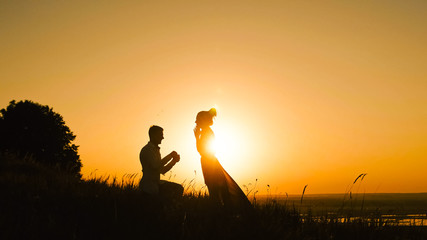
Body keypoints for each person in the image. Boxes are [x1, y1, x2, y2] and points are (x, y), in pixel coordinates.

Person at [194, 108, 251, 210]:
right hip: (209, 161)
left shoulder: (206, 132)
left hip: (209, 162)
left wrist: (196, 137)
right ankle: (222, 210)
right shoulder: (206, 131)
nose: (195, 122)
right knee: (215, 186)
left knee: (213, 187)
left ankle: (219, 211)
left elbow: (201, 150)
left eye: (197, 119)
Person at [139, 125, 183, 200]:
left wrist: (173, 161)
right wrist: (170, 156)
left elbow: (162, 170)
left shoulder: (155, 150)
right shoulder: (147, 150)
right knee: (177, 189)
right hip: (149, 186)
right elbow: (156, 166)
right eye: (161, 135)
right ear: (153, 135)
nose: (163, 137)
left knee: (179, 188)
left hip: (155, 184)